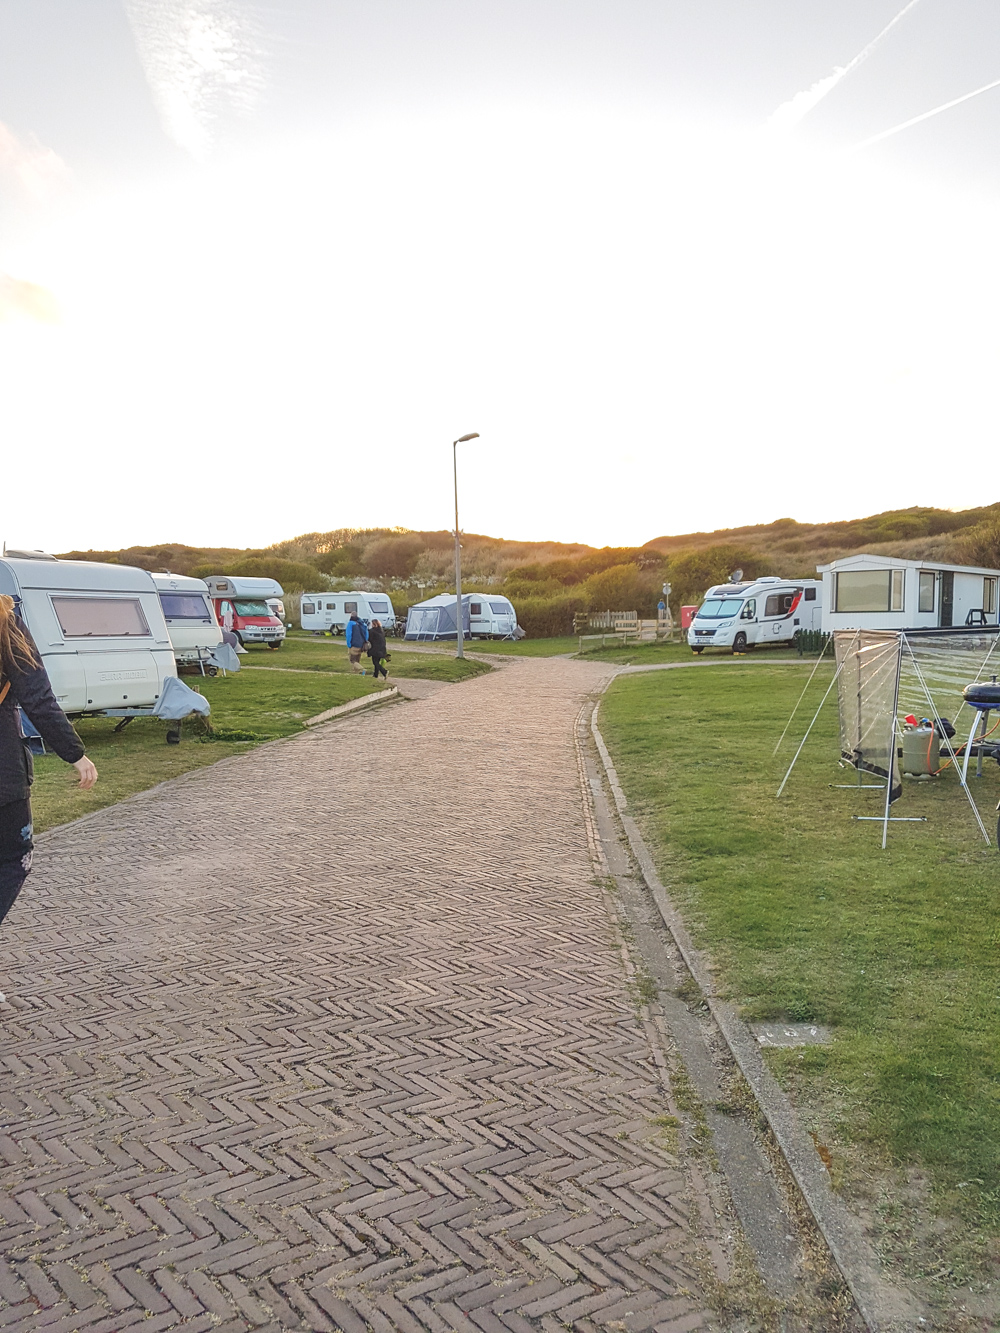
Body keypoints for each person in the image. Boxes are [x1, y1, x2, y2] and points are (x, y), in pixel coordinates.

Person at [0, 596, 98, 985]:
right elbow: (37, 697)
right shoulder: (6, 622)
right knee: (14, 859)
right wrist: (76, 754)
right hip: (3, 776)